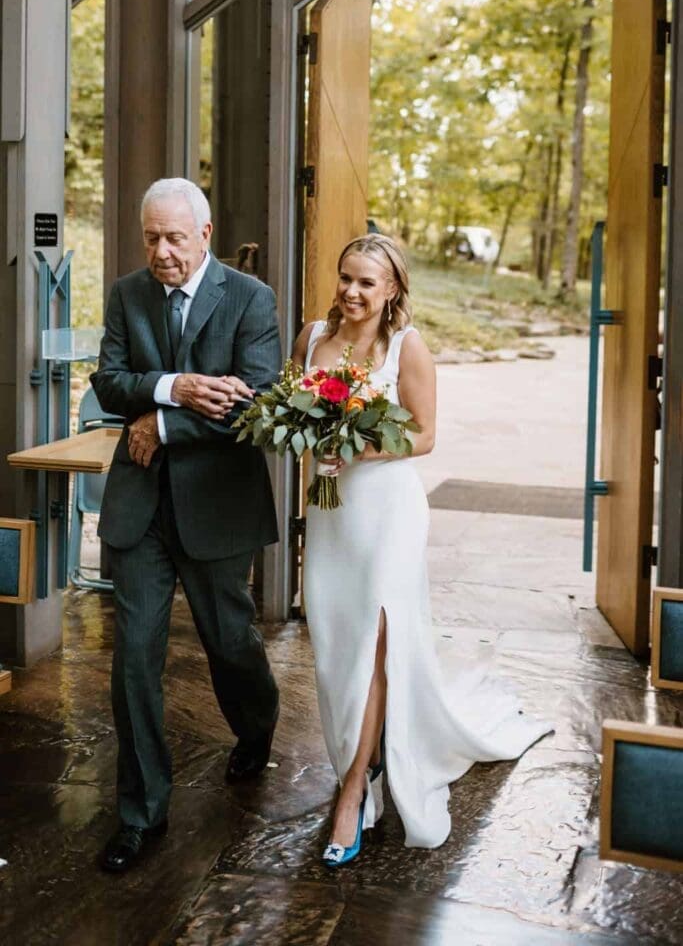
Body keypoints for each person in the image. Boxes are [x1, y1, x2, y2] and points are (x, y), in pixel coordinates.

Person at [292, 233, 552, 868]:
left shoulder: (408, 348)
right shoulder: (309, 340)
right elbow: (294, 416)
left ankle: (354, 790)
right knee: (333, 645)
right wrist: (309, 442)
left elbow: (425, 435)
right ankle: (361, 751)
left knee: (376, 643)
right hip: (331, 512)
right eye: (346, 278)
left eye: (367, 283)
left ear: (392, 292)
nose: (352, 292)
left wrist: (354, 448)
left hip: (388, 512)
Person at [91, 177, 281, 874]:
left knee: (229, 642)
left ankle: (256, 730)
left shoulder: (251, 298)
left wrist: (161, 423)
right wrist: (172, 387)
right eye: (151, 237)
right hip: (139, 507)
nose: (162, 252)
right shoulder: (125, 295)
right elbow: (107, 381)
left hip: (218, 506)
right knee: (133, 658)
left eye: (174, 237)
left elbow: (253, 401)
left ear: (204, 234)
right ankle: (141, 811)